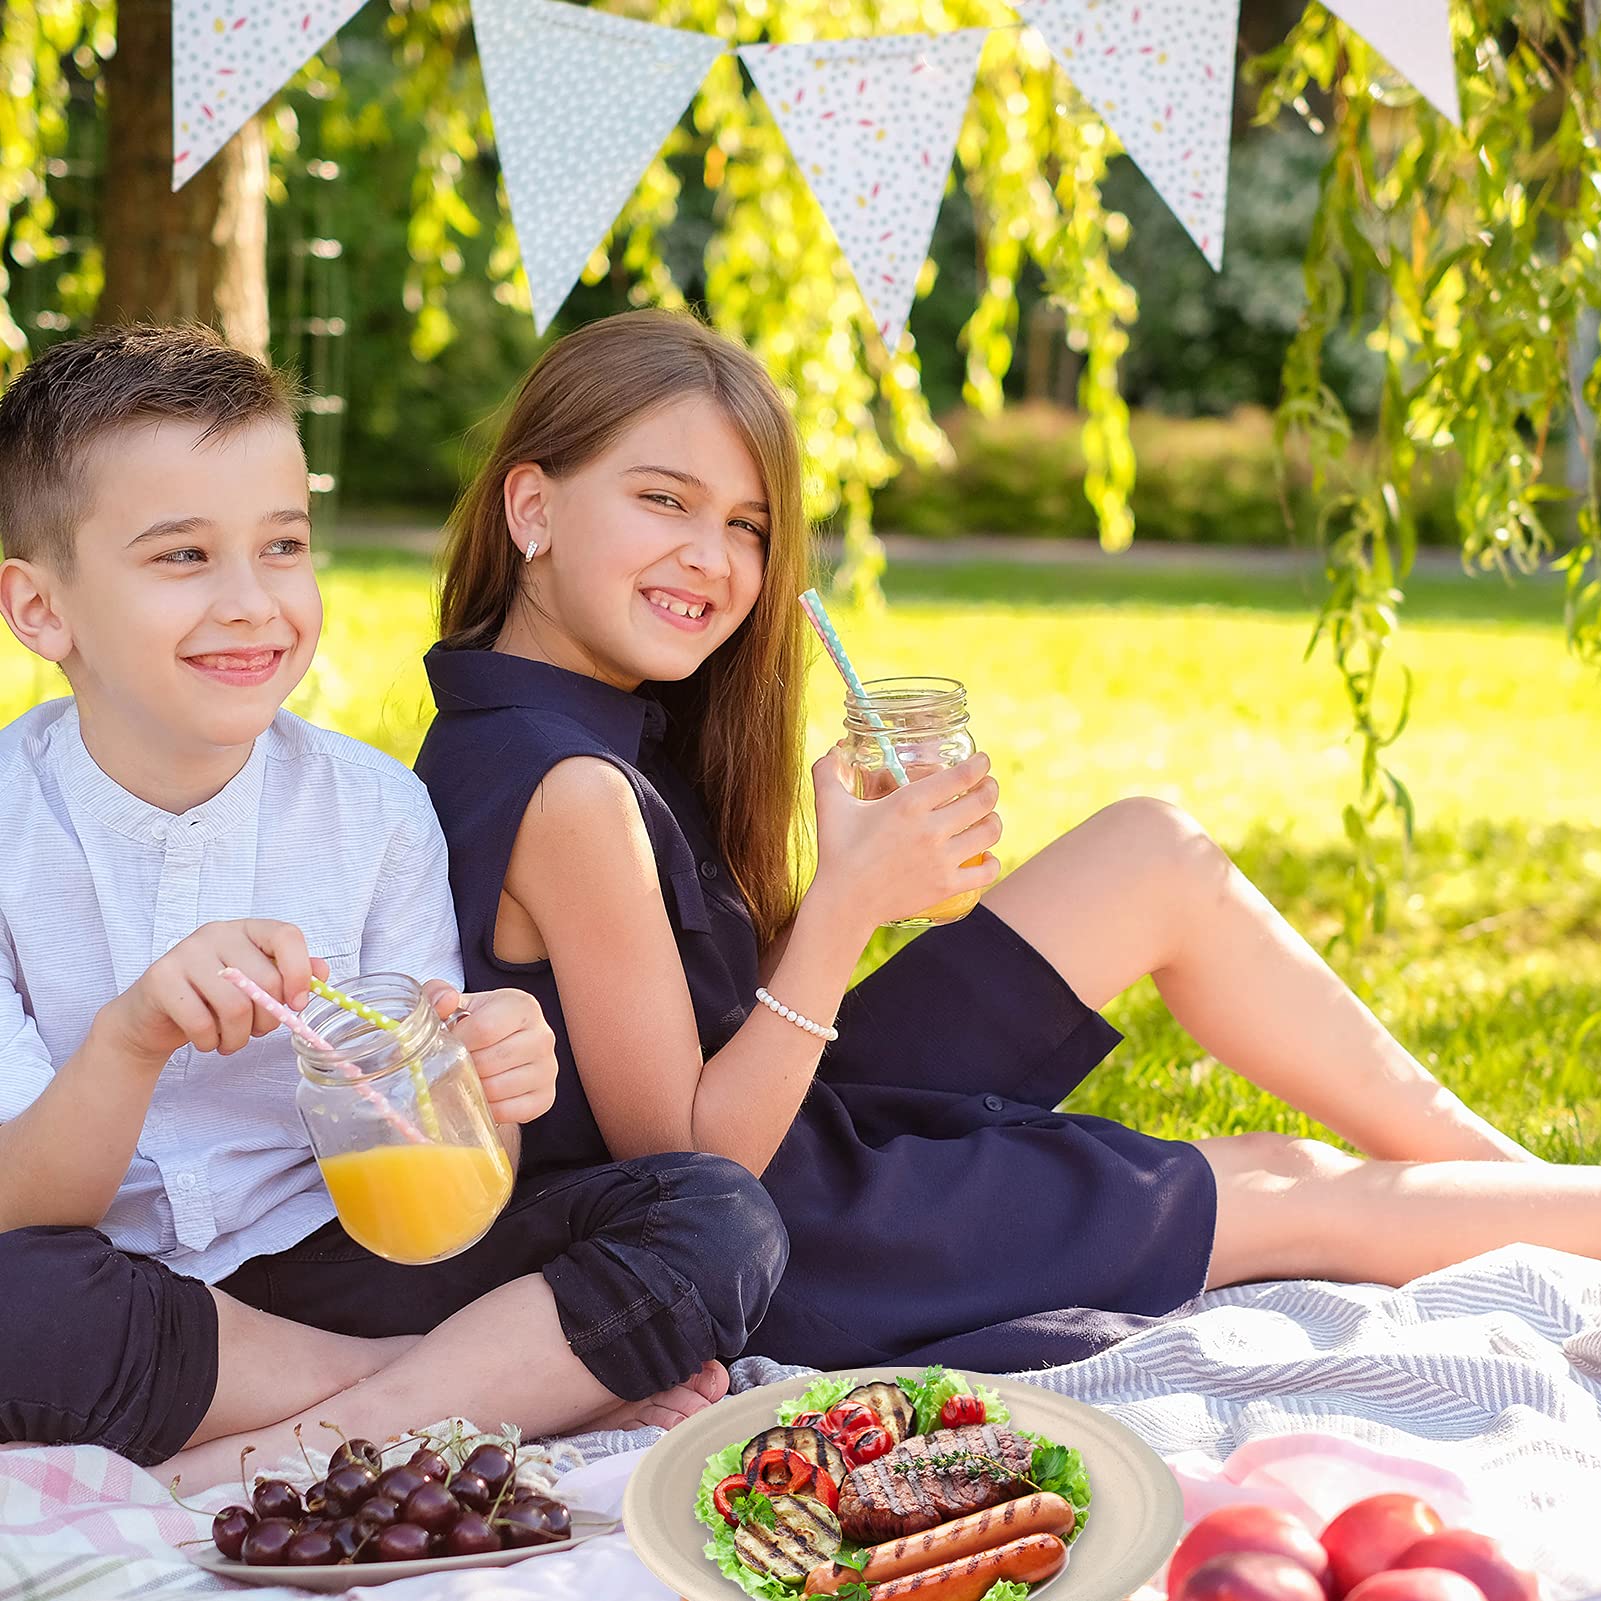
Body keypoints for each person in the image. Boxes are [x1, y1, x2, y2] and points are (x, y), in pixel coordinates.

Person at [415, 305, 1601, 1374]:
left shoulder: (559, 712)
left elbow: (702, 1019)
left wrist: (866, 886)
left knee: (1148, 852)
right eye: (662, 499)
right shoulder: (570, 788)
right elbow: (693, 1164)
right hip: (785, 1244)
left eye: (747, 523)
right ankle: (1554, 1216)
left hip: (793, 1114)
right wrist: (844, 903)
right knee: (1281, 1181)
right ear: (533, 506)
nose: (713, 557)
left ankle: (1529, 1194)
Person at [0, 323, 786, 1483]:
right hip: (102, 1280)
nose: (252, 602)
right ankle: (458, 1390)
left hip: (338, 1251)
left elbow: (451, 1185)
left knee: (718, 1217)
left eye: (282, 546)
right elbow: (22, 1201)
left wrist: (491, 1087)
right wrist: (132, 1035)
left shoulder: (371, 809)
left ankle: (277, 1448)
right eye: (181, 558)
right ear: (41, 610)